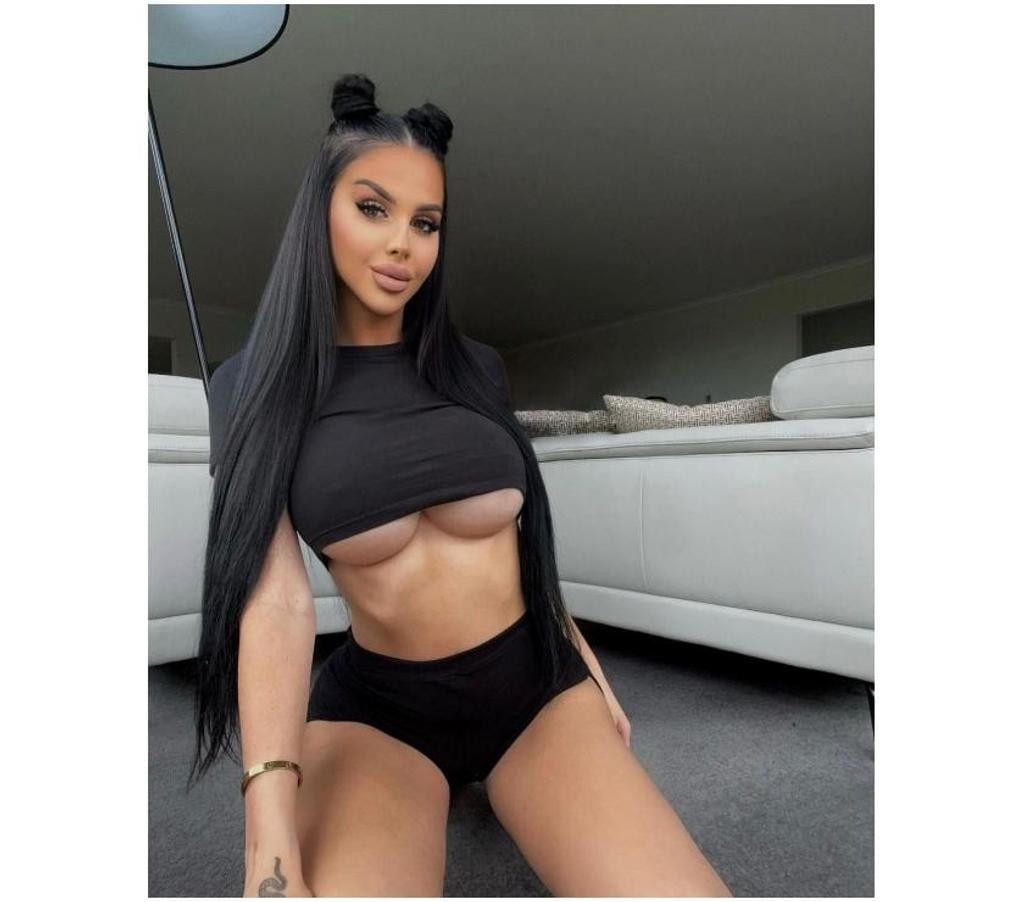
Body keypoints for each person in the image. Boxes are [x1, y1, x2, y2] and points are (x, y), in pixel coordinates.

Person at [191, 73, 732, 898]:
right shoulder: (253, 384)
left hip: (534, 691)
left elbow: (521, 542)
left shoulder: (475, 367)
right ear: (320, 211)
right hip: (381, 713)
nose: (402, 244)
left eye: (425, 222)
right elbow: (275, 603)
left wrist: (583, 659)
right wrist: (268, 844)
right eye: (372, 209)